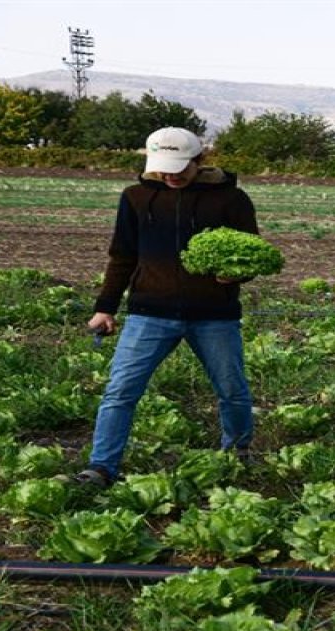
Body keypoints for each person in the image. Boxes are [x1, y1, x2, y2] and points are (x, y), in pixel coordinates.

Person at [70, 127, 259, 487]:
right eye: (164, 167)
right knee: (120, 391)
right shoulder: (136, 198)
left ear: (199, 160)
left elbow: (254, 253)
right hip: (149, 312)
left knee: (232, 390)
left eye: (180, 167)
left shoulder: (231, 200)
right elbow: (122, 256)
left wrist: (235, 275)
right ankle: (101, 467)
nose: (172, 175)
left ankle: (238, 456)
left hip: (214, 315)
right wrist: (105, 307)